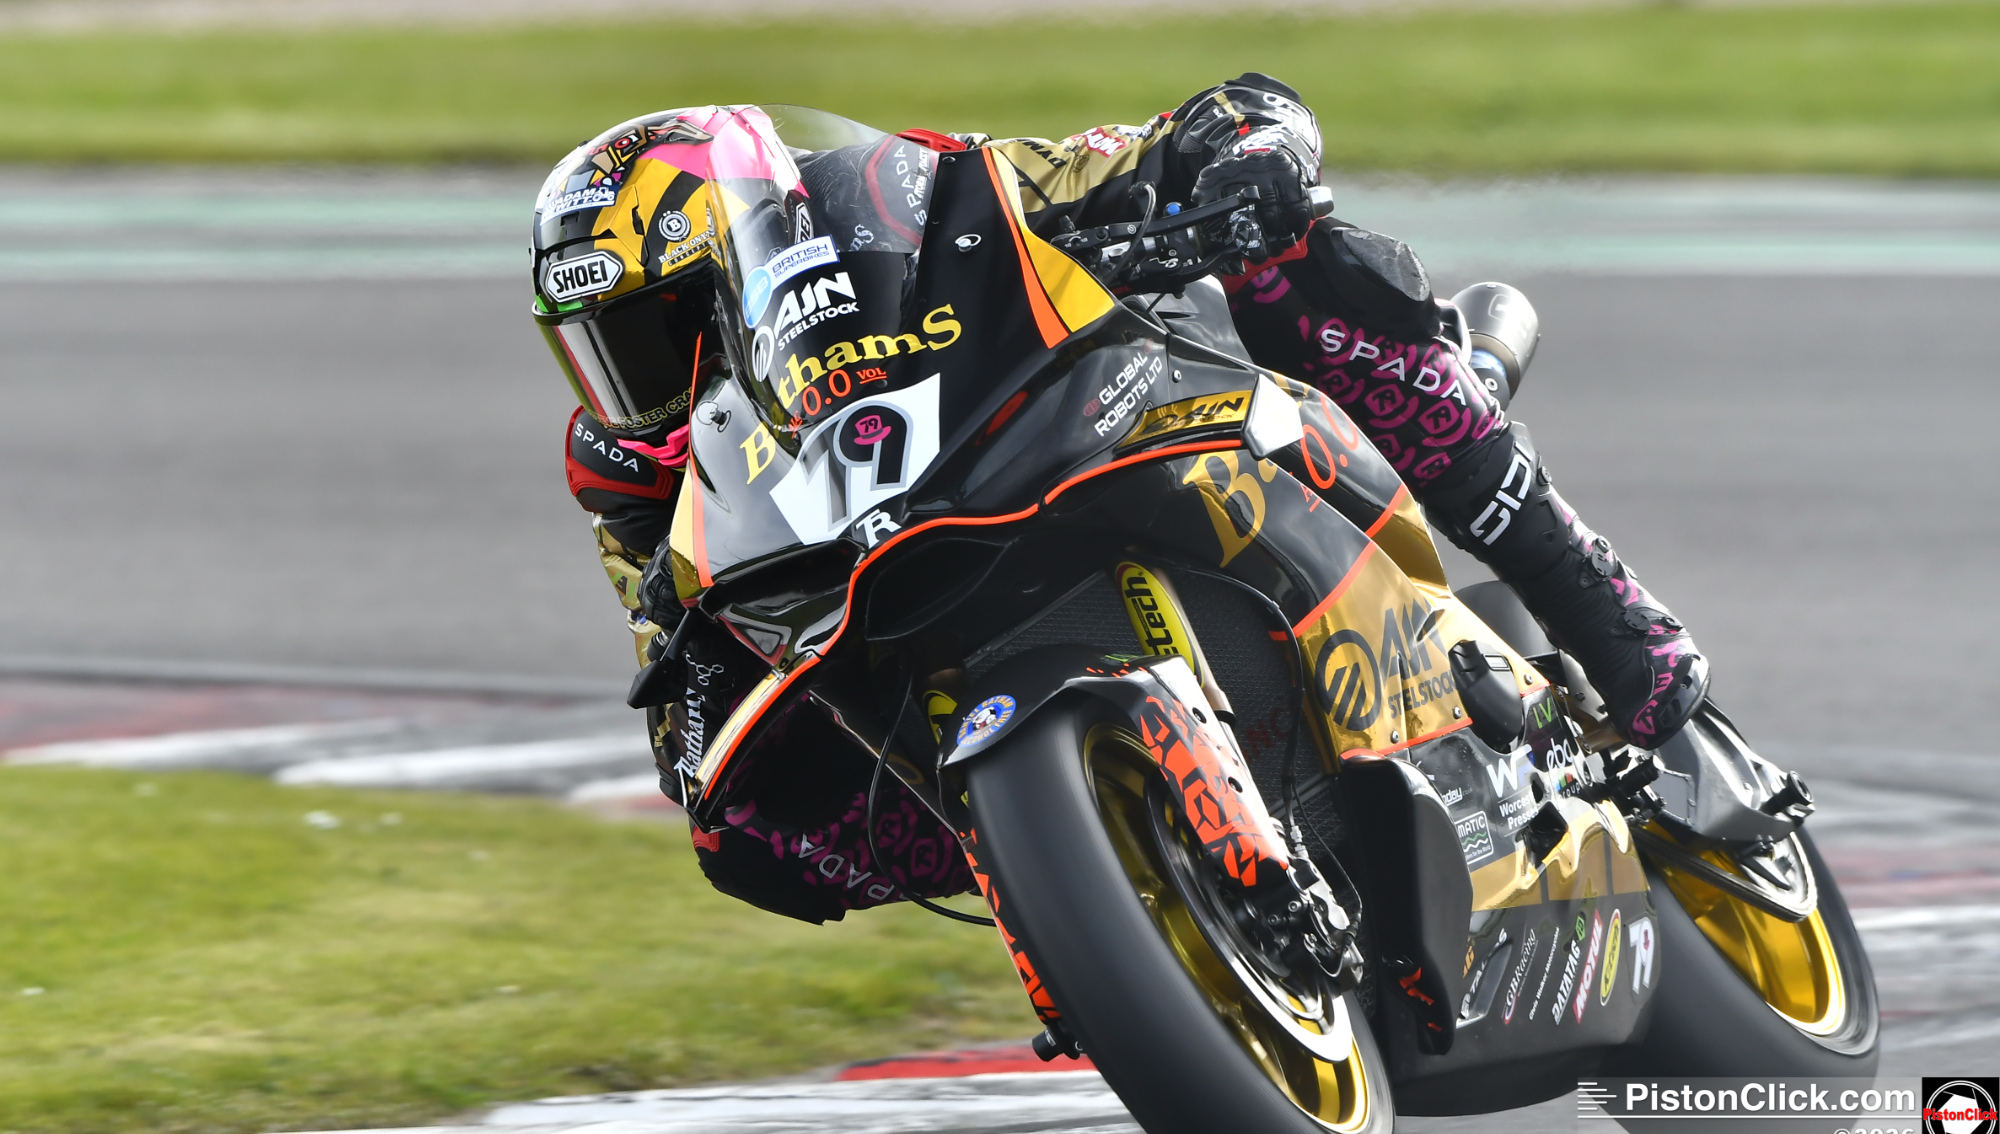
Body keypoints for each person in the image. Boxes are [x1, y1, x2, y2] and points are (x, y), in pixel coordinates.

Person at [537, 79, 1708, 921]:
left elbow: (1156, 139)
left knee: (1303, 268)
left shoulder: (900, 205)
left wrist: (1238, 149)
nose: (636, 385)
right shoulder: (630, 472)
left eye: (664, 327)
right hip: (881, 598)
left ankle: (1601, 607)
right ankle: (1095, 887)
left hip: (1114, 407)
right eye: (598, 353)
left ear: (750, 255)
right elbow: (665, 639)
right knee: (753, 833)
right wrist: (694, 725)